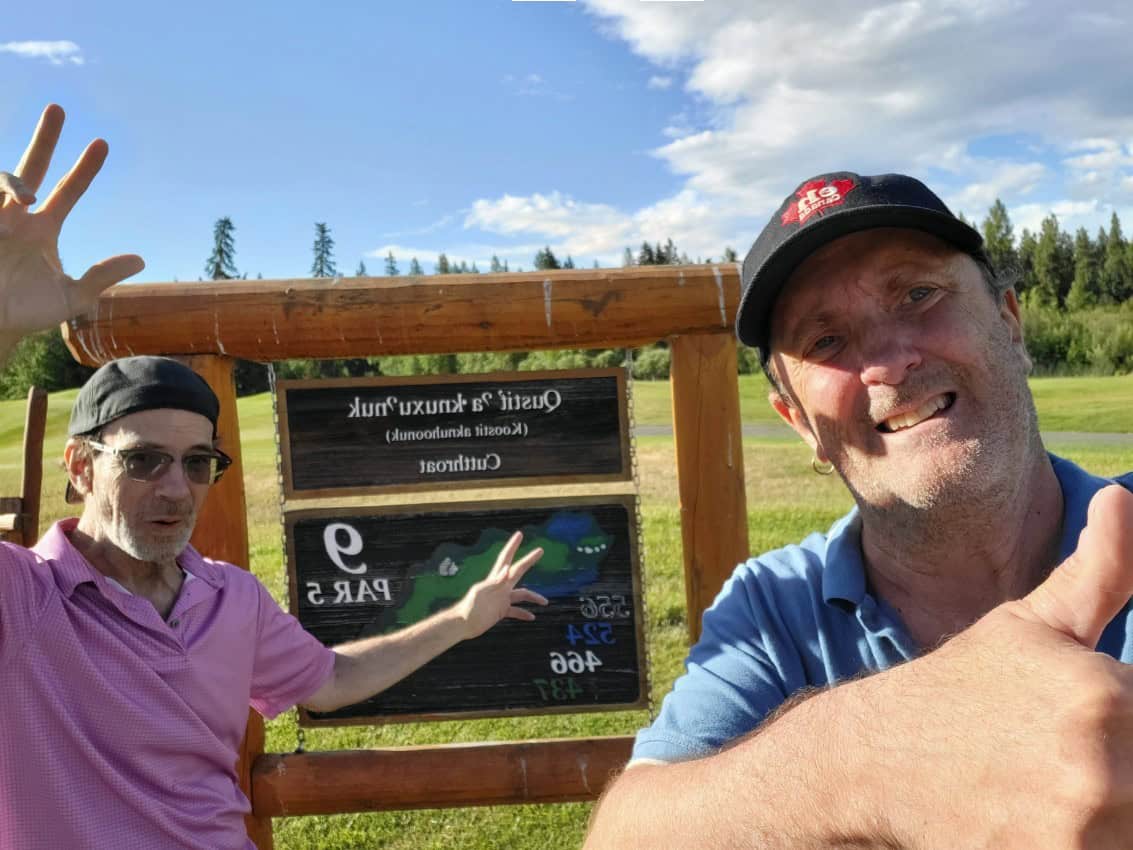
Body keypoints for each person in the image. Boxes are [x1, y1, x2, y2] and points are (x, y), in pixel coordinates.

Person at [0, 105, 548, 850]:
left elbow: (329, 679)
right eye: (141, 460)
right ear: (79, 467)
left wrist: (460, 619)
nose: (175, 487)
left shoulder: (230, 599)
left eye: (199, 463)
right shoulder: (23, 600)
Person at [585, 172, 1133, 848]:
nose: (888, 361)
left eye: (918, 294)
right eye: (825, 343)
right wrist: (864, 759)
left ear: (1009, 324)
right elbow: (623, 836)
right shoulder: (771, 608)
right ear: (797, 422)